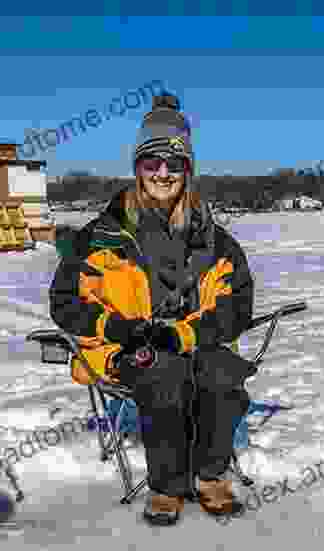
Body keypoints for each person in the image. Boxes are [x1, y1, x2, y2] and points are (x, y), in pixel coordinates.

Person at [50, 93, 256, 525]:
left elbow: (238, 305)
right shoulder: (102, 234)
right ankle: (166, 485)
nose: (163, 173)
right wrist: (115, 327)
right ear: (138, 169)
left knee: (221, 372)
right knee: (165, 373)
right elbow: (65, 301)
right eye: (151, 162)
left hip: (192, 340)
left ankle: (211, 474)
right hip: (125, 347)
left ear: (188, 170)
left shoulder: (216, 240)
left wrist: (184, 334)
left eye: (174, 163)